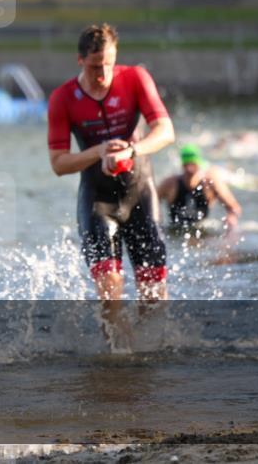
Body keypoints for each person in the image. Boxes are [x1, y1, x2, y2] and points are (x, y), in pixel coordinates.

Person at [47, 24, 175, 304]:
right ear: (80, 61)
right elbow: (58, 164)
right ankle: (118, 348)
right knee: (109, 291)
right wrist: (100, 151)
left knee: (154, 295)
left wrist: (130, 151)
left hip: (139, 190)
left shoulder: (135, 78)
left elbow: (166, 131)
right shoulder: (63, 98)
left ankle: (150, 348)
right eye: (94, 67)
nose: (103, 75)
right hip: (97, 199)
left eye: (109, 64)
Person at [158, 143, 242, 241]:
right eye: (187, 165)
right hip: (176, 232)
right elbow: (151, 203)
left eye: (193, 165)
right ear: (182, 165)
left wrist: (231, 217)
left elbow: (234, 207)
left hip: (203, 231)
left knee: (232, 227)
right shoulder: (170, 184)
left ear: (199, 163)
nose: (190, 169)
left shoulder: (210, 183)